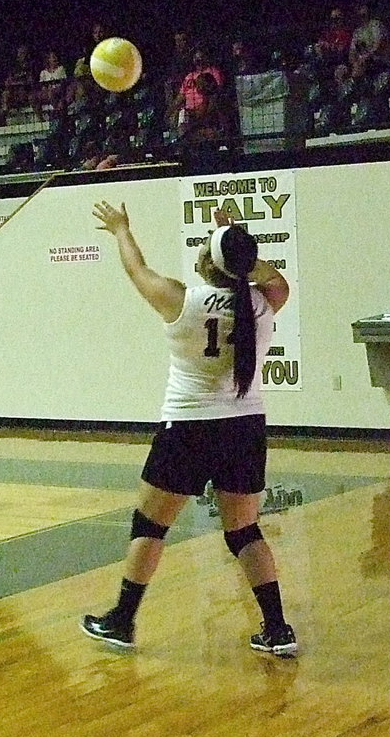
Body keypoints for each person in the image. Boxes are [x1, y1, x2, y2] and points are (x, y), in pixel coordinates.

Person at [81, 201, 298, 657]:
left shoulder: (183, 300)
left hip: (189, 428)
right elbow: (273, 279)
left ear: (206, 263)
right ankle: (277, 628)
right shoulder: (262, 303)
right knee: (244, 531)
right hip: (245, 427)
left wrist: (121, 228)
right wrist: (236, 245)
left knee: (150, 524)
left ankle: (121, 620)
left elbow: (135, 268)